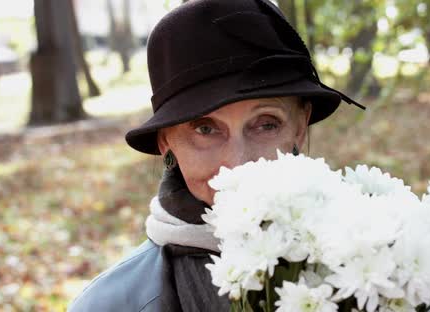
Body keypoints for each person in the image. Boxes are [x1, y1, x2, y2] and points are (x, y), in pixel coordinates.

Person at [68, 0, 364, 311]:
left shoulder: (377, 268)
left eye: (266, 124)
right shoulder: (111, 305)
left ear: (299, 128)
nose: (237, 164)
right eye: (206, 129)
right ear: (166, 142)